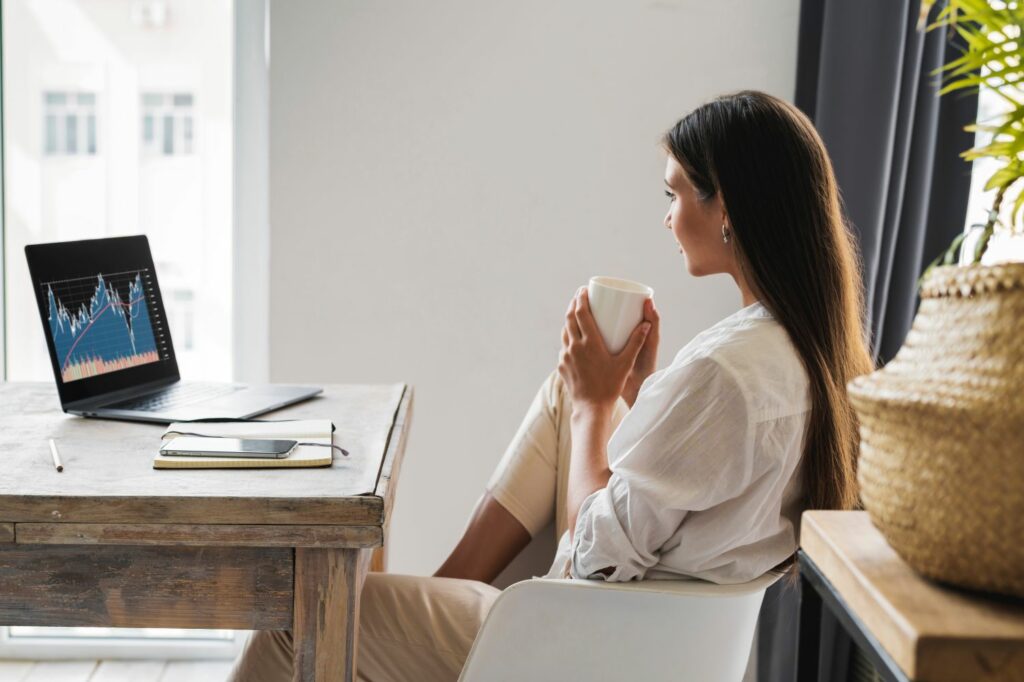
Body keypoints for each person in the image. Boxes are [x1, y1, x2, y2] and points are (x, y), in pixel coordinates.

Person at [228, 90, 874, 682]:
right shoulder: (814, 351)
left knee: (301, 620)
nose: (668, 218)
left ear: (725, 206)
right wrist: (633, 393)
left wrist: (601, 405)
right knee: (568, 389)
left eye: (674, 194)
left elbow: (594, 557)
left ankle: (417, 624)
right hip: (664, 640)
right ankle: (444, 591)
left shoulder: (721, 371)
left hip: (584, 644)